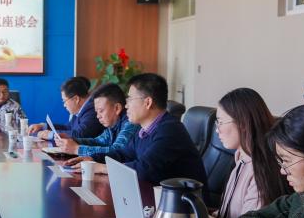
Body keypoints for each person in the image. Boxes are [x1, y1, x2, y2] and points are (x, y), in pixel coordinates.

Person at [65, 73, 206, 187]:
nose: (126, 105)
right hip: (157, 196)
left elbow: (144, 169)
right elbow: (123, 154)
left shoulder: (170, 130)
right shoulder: (144, 130)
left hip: (186, 205)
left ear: (148, 102)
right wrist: (93, 159)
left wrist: (101, 168)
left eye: (130, 99)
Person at [213, 88, 290, 218]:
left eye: (220, 122)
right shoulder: (240, 159)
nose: (217, 130)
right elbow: (228, 214)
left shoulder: (260, 170)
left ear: (242, 123)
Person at [54, 83, 139, 159]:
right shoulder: (114, 124)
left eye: (101, 111)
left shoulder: (130, 122)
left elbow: (116, 151)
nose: (98, 116)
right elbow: (98, 141)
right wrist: (72, 140)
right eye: (97, 112)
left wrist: (76, 149)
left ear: (117, 108)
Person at [28, 76, 103, 140]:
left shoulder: (93, 110)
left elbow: (80, 134)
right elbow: (67, 127)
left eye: (64, 101)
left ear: (76, 99)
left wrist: (51, 134)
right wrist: (43, 126)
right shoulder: (80, 110)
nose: (64, 105)